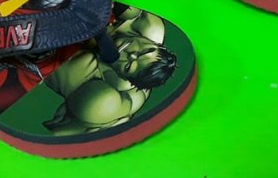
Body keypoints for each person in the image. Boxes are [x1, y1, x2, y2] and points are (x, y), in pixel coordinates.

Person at [41, 7, 178, 135]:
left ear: (121, 74)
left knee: (100, 101)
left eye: (128, 66)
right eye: (144, 51)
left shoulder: (101, 84)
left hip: (104, 100)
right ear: (155, 45)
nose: (131, 54)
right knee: (131, 11)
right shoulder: (148, 26)